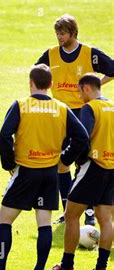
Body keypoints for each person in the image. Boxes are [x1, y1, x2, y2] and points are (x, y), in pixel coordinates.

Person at [0, 64, 88, 270]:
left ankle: (0, 267)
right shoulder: (61, 108)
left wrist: (8, 163)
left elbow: (4, 136)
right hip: (49, 174)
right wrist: (64, 159)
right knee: (44, 222)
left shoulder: (21, 105)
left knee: (4, 220)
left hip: (25, 171)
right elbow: (82, 138)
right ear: (51, 85)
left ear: (30, 83)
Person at [35, 14, 114, 225]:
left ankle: (89, 212)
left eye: (63, 33)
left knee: (85, 161)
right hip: (59, 113)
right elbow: (36, 74)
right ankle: (67, 208)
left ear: (73, 33)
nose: (59, 37)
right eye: (57, 33)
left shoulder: (89, 53)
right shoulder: (51, 55)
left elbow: (112, 69)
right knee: (61, 162)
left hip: (83, 113)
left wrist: (95, 86)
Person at [47, 73, 113, 270]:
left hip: (92, 167)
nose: (78, 95)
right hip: (112, 168)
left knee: (71, 215)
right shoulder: (112, 107)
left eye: (79, 90)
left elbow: (82, 138)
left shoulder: (89, 108)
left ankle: (67, 266)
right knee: (106, 220)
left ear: (86, 88)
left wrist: (65, 160)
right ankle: (101, 268)